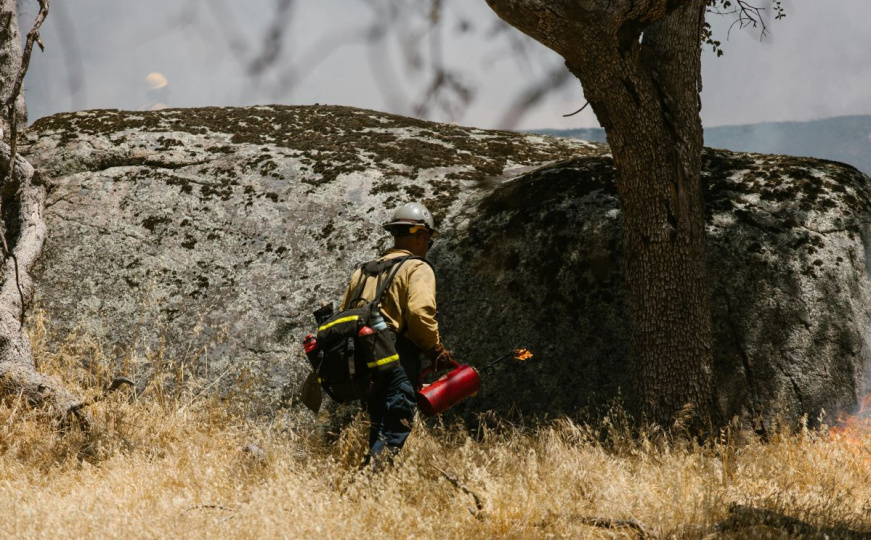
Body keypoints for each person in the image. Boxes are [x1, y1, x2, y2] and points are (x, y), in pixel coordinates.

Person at [339, 202, 454, 464]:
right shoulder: (417, 267)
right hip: (396, 359)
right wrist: (435, 348)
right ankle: (367, 488)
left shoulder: (364, 271)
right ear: (422, 236)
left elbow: (345, 313)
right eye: (429, 241)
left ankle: (367, 488)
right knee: (392, 429)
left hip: (363, 363)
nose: (428, 247)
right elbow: (419, 313)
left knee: (379, 424)